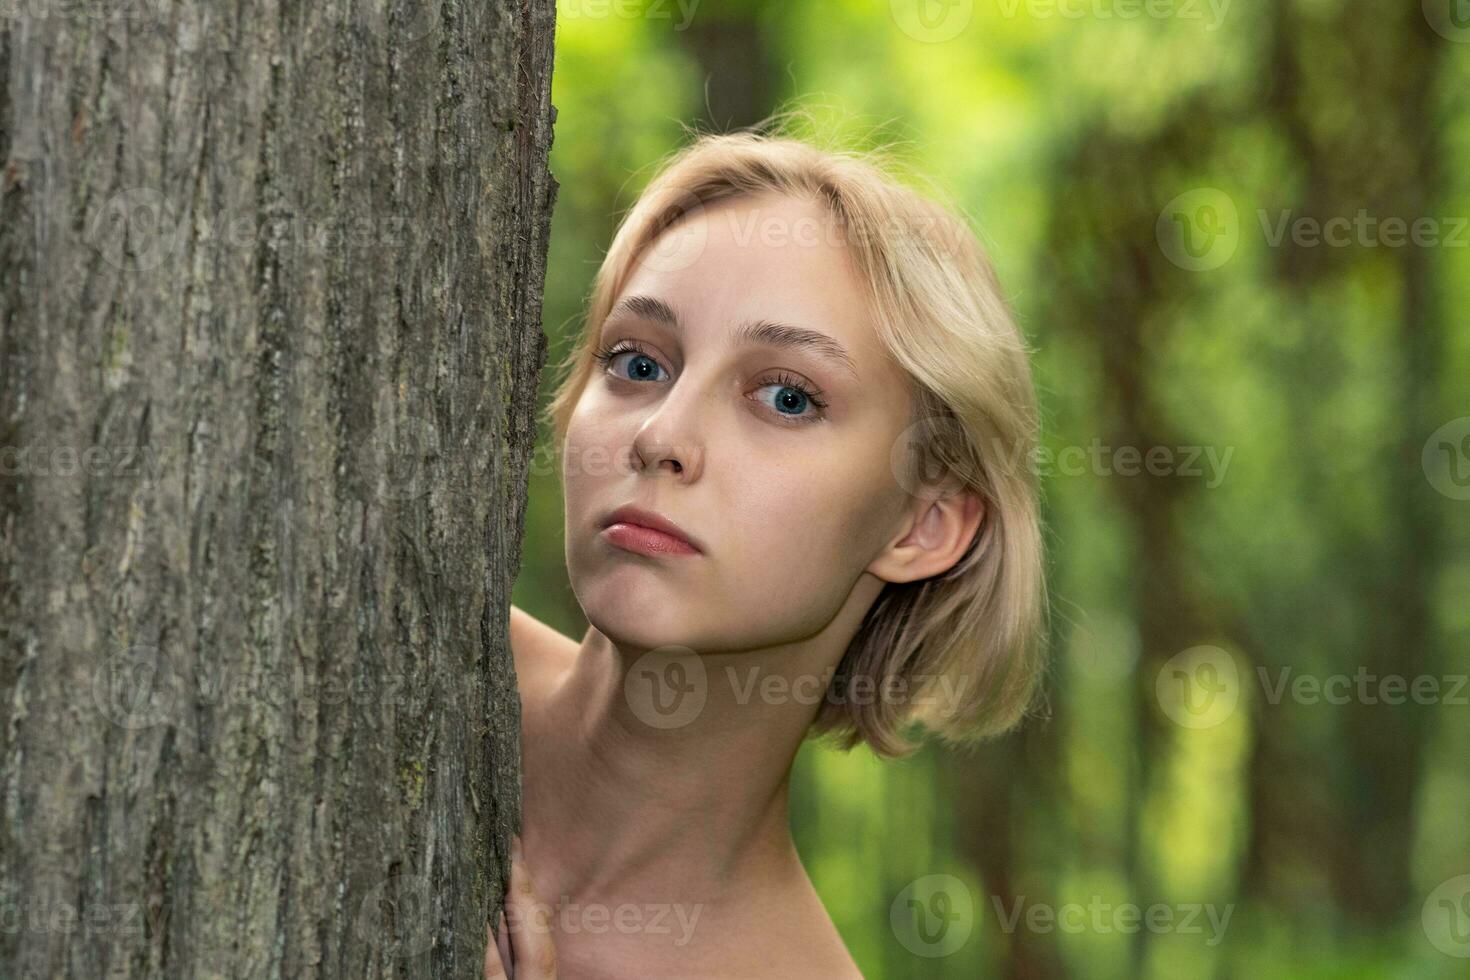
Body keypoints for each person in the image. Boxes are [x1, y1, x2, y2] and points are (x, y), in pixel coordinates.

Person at [486, 120, 1048, 978]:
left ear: (921, 526)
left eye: (787, 398)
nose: (662, 436)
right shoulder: (387, 663)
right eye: (638, 363)